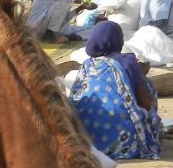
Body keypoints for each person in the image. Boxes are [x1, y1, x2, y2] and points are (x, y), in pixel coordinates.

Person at [69, 20, 161, 160]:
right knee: (147, 86)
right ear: (117, 40)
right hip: (124, 139)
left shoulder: (87, 66)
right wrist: (139, 76)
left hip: (87, 138)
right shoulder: (128, 62)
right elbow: (146, 103)